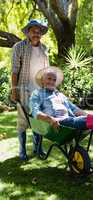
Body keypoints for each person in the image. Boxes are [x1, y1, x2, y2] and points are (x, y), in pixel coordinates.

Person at [29, 67, 93, 132]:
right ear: (42, 80)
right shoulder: (37, 94)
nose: (52, 82)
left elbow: (74, 109)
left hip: (69, 120)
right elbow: (35, 112)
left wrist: (90, 115)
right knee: (82, 120)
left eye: (54, 80)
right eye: (49, 78)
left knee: (87, 118)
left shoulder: (59, 94)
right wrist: (50, 119)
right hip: (58, 123)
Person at [11, 19, 49, 160]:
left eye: (39, 31)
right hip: (24, 90)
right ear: (28, 32)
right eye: (33, 31)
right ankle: (22, 151)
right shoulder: (18, 47)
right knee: (22, 122)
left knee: (38, 121)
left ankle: (37, 149)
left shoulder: (45, 49)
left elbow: (46, 72)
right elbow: (14, 71)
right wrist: (14, 90)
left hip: (40, 92)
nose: (36, 33)